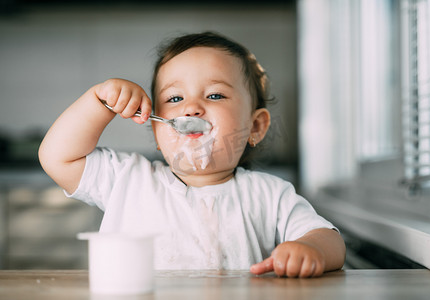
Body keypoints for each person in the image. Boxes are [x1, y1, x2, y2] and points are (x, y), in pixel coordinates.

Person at [39, 31, 345, 278]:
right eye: (174, 98)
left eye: (214, 95)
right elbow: (57, 157)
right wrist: (99, 102)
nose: (191, 107)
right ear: (157, 132)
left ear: (255, 126)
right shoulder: (127, 180)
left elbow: (330, 239)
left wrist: (310, 249)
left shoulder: (269, 195)